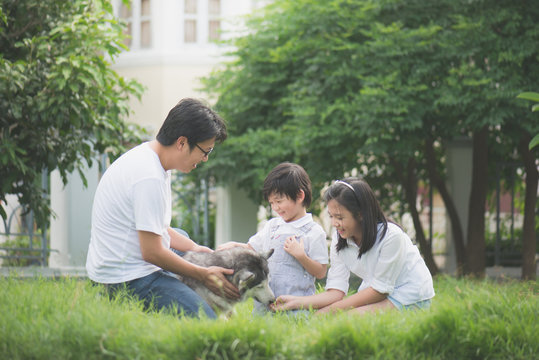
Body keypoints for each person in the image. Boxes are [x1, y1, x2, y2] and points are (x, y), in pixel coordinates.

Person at [86, 98, 239, 319]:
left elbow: (160, 229)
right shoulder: (149, 177)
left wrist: (198, 249)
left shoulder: (152, 159)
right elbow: (152, 252)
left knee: (185, 241)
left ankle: (183, 285)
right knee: (206, 319)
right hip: (127, 279)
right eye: (205, 151)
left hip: (125, 259)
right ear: (182, 143)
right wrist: (203, 274)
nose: (205, 159)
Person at [272, 178, 435, 315]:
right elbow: (336, 291)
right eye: (331, 216)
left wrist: (330, 311)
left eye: (340, 217)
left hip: (410, 295)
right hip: (378, 292)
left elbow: (380, 291)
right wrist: (297, 302)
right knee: (335, 318)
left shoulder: (392, 236)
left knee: (346, 318)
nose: (334, 223)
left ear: (361, 213)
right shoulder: (340, 238)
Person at [218, 162, 329, 313]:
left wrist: (301, 256)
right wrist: (235, 245)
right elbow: (252, 249)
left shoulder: (314, 232)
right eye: (271, 203)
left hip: (296, 306)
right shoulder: (272, 226)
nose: (275, 208)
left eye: (279, 201)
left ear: (300, 196)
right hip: (264, 305)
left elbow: (321, 272)